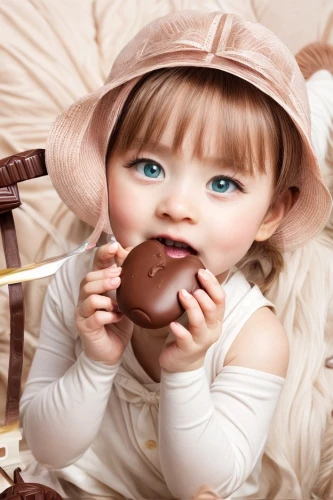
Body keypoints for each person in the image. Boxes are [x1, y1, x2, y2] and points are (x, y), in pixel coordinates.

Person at [19, 10, 332, 500]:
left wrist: (185, 371)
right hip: (81, 491)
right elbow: (46, 447)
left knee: (315, 120)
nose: (177, 207)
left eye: (222, 183)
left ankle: (323, 82)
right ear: (105, 168)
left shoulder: (254, 335)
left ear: (270, 214)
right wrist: (97, 361)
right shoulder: (81, 283)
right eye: (149, 167)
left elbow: (202, 487)